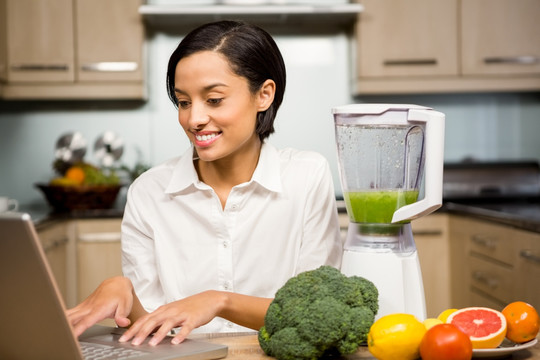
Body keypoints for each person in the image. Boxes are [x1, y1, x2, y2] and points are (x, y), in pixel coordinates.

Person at [67, 20, 342, 346]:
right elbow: (155, 326)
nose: (193, 119)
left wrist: (220, 301)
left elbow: (314, 313)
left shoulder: (306, 176)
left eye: (213, 100)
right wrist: (123, 292)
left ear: (264, 95)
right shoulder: (148, 192)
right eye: (183, 102)